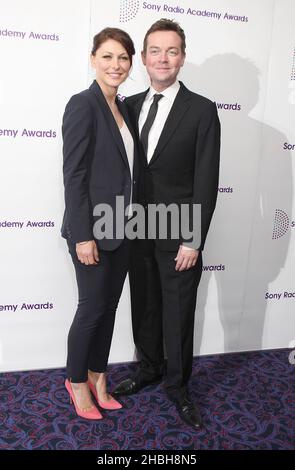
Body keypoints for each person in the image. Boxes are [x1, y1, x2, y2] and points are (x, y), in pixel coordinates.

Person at [113, 19, 220, 429]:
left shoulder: (202, 109)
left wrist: (193, 240)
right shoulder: (128, 105)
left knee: (177, 313)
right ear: (143, 58)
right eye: (155, 50)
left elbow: (206, 179)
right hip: (136, 228)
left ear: (182, 57)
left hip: (180, 233)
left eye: (171, 51)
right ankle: (148, 370)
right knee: (145, 306)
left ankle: (178, 386)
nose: (163, 58)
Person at [61, 28, 137, 419]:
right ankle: (76, 383)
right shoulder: (83, 104)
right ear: (93, 59)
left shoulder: (125, 109)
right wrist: (83, 235)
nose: (115, 65)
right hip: (92, 229)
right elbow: (73, 176)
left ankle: (98, 376)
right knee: (91, 308)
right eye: (107, 56)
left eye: (123, 57)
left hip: (123, 228)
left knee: (108, 309)